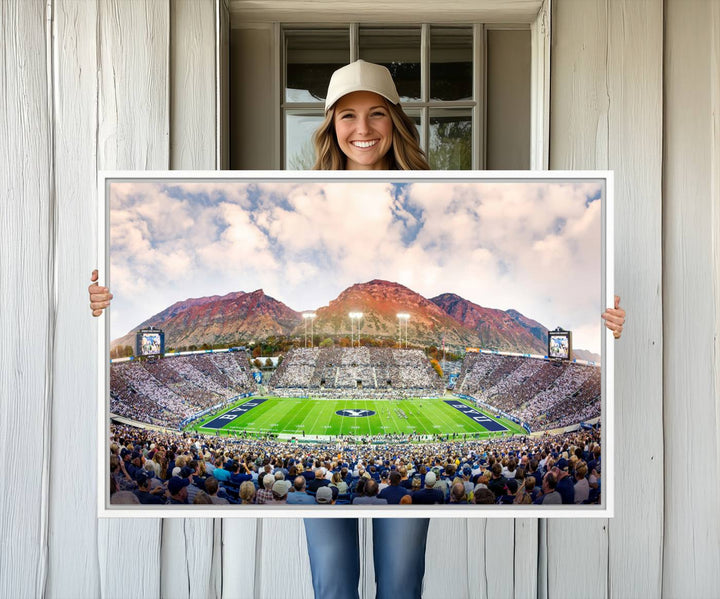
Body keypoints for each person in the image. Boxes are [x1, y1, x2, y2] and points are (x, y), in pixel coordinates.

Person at [89, 59, 627, 599]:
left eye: (376, 114)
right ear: (330, 126)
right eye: (347, 116)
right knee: (332, 584)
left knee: (400, 582)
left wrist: (607, 325)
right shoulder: (305, 196)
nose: (362, 129)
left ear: (395, 120)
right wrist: (101, 306)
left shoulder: (437, 191)